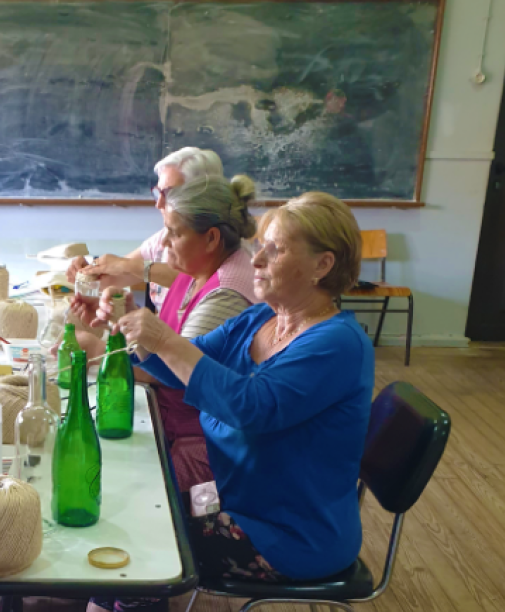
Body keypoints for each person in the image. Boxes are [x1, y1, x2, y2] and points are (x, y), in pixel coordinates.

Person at [118, 191, 373, 587]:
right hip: (238, 500)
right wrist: (126, 326)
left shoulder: (336, 344)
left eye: (274, 250)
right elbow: (188, 362)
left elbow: (249, 407)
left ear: (322, 265)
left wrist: (164, 340)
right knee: (136, 501)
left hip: (290, 535)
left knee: (146, 529)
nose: (255, 260)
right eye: (258, 248)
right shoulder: (261, 317)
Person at [68, 174, 258, 612]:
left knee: (135, 499)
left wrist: (98, 346)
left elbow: (178, 376)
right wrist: (119, 324)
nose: (161, 244)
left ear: (211, 237)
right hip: (179, 422)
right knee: (119, 475)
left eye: (173, 232)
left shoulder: (227, 292)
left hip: (208, 442)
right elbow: (162, 346)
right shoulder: (198, 275)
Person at [65, 147, 224, 312]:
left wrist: (127, 265)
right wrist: (86, 273)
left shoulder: (222, 244)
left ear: (203, 196)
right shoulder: (161, 239)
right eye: (158, 193)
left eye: (169, 193)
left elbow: (198, 283)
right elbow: (111, 277)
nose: (159, 204)